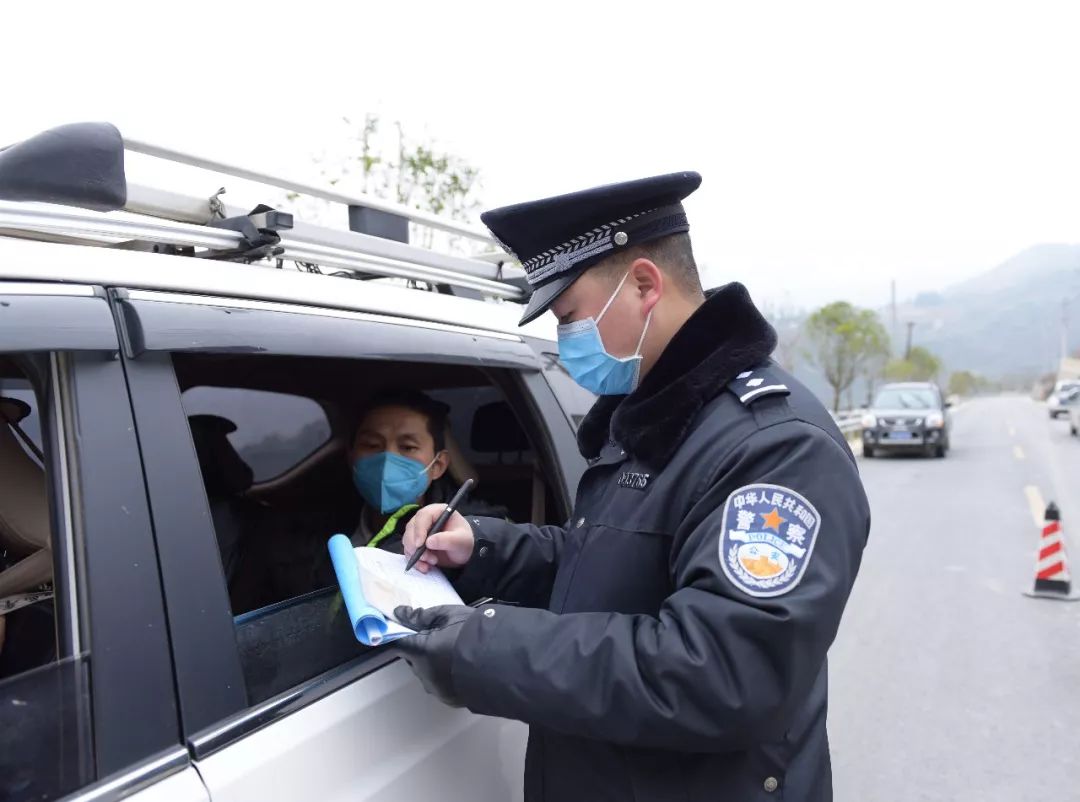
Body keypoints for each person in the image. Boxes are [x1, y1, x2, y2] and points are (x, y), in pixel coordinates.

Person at [394, 172, 871, 801]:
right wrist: (482, 546)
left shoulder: (774, 447)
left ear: (645, 284)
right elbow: (606, 568)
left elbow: (722, 672)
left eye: (569, 317)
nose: (565, 343)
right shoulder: (653, 417)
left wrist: (483, 645)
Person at [238, 389, 498, 610]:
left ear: (437, 465)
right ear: (351, 457)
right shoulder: (303, 533)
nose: (386, 460)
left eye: (407, 447)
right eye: (372, 445)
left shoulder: (460, 542)